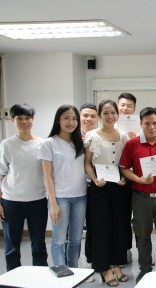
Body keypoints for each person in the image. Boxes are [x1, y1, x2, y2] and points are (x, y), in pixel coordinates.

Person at [119, 107, 156, 283]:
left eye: (155, 123)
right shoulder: (132, 144)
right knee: (142, 235)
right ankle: (145, 269)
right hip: (141, 198)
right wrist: (138, 178)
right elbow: (123, 168)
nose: (152, 127)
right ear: (141, 124)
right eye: (147, 123)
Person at [84, 100, 130, 286]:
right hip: (100, 186)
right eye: (105, 113)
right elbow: (87, 162)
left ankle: (117, 263)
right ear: (100, 115)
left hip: (119, 185)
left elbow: (126, 163)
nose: (110, 117)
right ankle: (103, 267)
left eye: (113, 113)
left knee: (119, 226)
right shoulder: (92, 135)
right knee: (100, 227)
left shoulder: (124, 136)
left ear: (117, 115)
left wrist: (125, 178)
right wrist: (94, 179)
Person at [37, 105, 87, 269]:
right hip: (60, 198)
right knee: (59, 240)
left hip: (80, 197)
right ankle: (61, 273)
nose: (71, 122)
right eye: (66, 118)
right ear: (58, 120)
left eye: (74, 118)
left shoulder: (80, 142)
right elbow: (47, 176)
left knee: (75, 240)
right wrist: (53, 203)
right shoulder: (49, 144)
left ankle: (73, 271)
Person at [0, 104, 48, 271]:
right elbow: (1, 173)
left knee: (39, 243)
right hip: (11, 201)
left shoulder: (43, 144)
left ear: (32, 120)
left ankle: (40, 277)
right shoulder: (7, 144)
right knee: (12, 245)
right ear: (13, 120)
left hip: (38, 200)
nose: (24, 121)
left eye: (27, 118)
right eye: (19, 118)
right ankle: (13, 278)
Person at [117, 92, 137, 266]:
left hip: (133, 177)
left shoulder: (140, 127)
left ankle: (126, 249)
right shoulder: (111, 127)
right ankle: (116, 250)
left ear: (134, 109)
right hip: (113, 177)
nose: (125, 108)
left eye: (129, 106)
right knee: (117, 216)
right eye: (122, 105)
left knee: (131, 217)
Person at [79, 103, 98, 278]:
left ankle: (91, 262)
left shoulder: (99, 137)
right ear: (80, 117)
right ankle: (73, 267)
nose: (89, 119)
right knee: (75, 231)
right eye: (85, 115)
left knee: (93, 226)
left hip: (94, 188)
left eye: (92, 115)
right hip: (75, 190)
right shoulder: (72, 137)